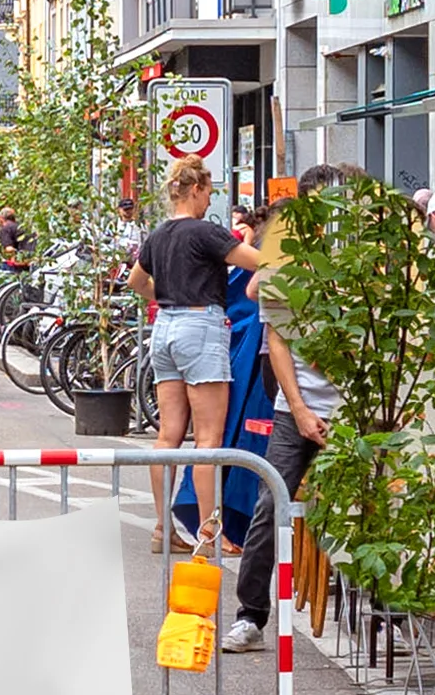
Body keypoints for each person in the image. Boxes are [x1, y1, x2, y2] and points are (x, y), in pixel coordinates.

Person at [226, 169, 350, 645]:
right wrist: (297, 409)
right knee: (269, 503)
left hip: (353, 408)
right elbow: (277, 343)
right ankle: (250, 615)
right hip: (296, 406)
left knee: (372, 506)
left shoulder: (367, 262)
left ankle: (381, 610)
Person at [136, 160, 244, 552]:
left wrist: (166, 298)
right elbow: (254, 261)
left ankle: (163, 529)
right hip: (201, 326)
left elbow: (135, 280)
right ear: (195, 188)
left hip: (164, 327)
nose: (210, 198)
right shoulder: (206, 232)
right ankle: (209, 533)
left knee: (168, 435)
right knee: (208, 438)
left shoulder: (159, 234)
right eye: (209, 190)